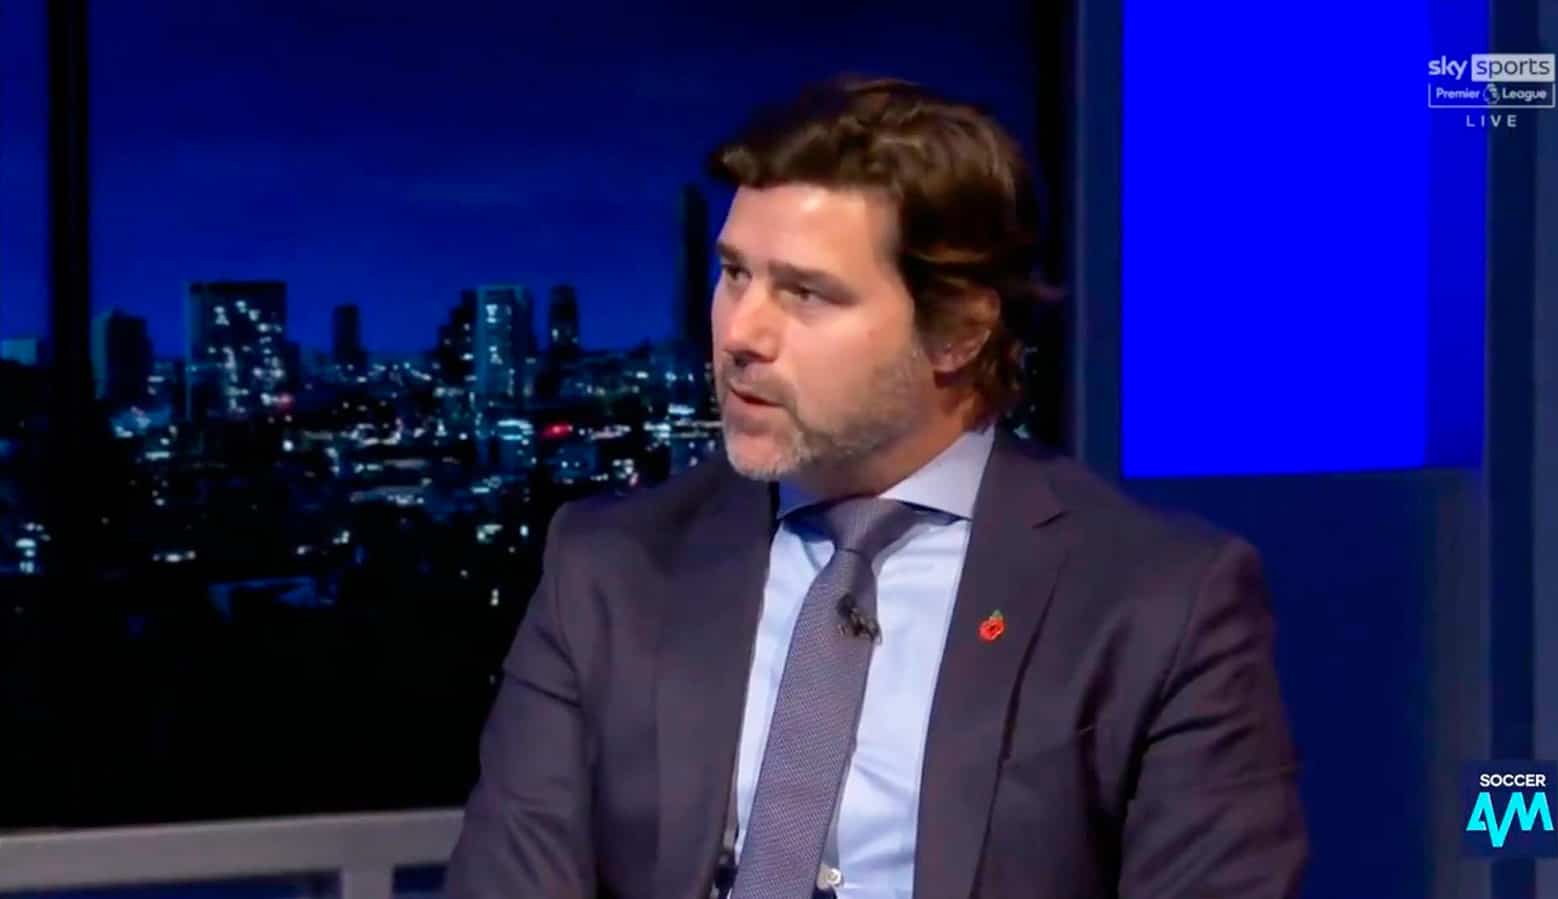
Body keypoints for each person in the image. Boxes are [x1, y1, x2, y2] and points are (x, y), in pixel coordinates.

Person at [445, 75, 1307, 899]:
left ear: (958, 332)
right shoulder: (608, 570)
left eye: (805, 293)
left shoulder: (1157, 605)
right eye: (735, 273)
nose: (741, 332)